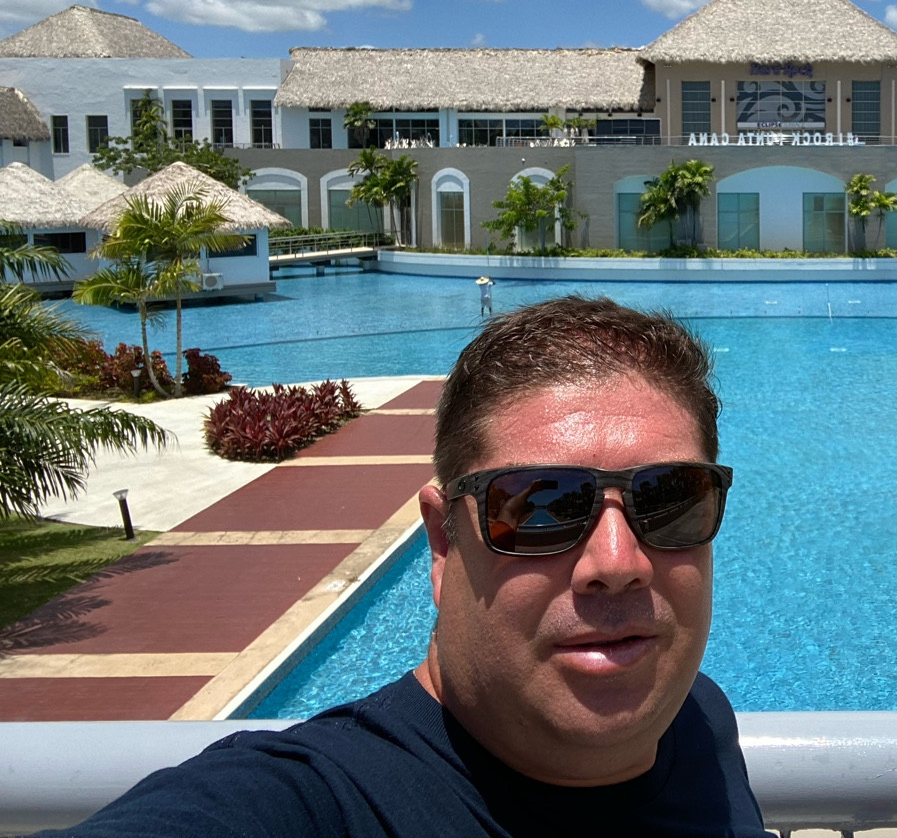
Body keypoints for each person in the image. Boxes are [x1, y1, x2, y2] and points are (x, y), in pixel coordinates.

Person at [46, 296, 770, 837]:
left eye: (670, 498)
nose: (616, 562)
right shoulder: (315, 803)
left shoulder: (696, 722)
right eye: (541, 506)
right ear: (443, 541)